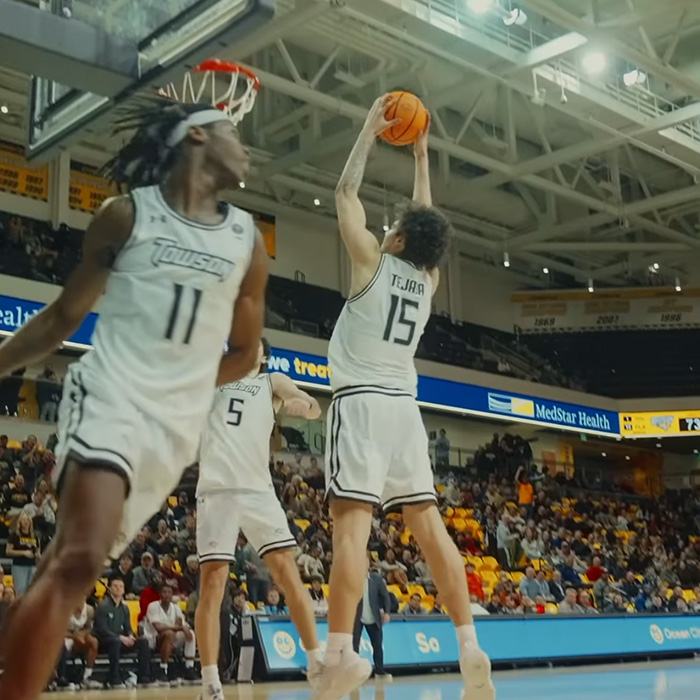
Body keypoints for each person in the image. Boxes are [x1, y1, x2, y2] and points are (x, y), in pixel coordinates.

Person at [0, 97, 267, 700]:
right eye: (232, 129)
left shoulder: (248, 242)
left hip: (171, 430)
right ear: (196, 135)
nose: (244, 143)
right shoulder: (126, 215)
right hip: (111, 392)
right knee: (80, 560)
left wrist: (189, 382)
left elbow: (247, 353)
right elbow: (63, 317)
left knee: (57, 572)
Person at [314, 95, 493, 700]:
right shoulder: (428, 279)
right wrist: (422, 157)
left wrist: (368, 128)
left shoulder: (370, 263)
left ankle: (339, 654)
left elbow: (344, 193)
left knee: (350, 533)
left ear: (393, 238)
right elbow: (427, 224)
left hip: (360, 403)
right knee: (432, 530)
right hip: (404, 412)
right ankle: (469, 644)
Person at [196, 337, 323, 700]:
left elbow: (312, 407)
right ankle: (210, 684)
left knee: (287, 573)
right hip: (217, 489)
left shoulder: (272, 381)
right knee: (213, 585)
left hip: (256, 490)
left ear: (263, 354)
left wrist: (306, 407)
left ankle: (316, 664)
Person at [94, 577, 150, 688]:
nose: (118, 589)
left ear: (124, 590)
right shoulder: (103, 606)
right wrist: (120, 637)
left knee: (143, 641)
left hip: (120, 640)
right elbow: (102, 629)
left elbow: (128, 627)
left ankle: (144, 676)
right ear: (109, 589)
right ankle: (115, 679)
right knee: (115, 642)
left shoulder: (125, 608)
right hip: (105, 641)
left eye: (121, 586)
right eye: (115, 586)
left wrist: (130, 635)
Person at [143, 583, 197, 685]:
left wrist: (184, 629)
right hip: (153, 640)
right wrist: (179, 627)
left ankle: (189, 667)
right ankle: (162, 669)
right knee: (169, 634)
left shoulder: (175, 608)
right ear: (159, 594)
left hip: (171, 639)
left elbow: (180, 623)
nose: (167, 595)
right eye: (164, 592)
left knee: (190, 634)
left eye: (169, 592)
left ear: (172, 595)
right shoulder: (153, 606)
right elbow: (159, 628)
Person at [353, 555, 391, 679]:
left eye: (366, 562)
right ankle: (354, 672)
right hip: (357, 617)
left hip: (373, 616)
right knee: (354, 645)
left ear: (369, 565)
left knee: (378, 645)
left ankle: (379, 670)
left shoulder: (377, 579)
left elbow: (385, 596)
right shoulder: (352, 578)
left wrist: (387, 612)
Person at [57, 598, 101, 690]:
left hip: (80, 636)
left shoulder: (89, 610)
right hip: (65, 636)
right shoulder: (64, 610)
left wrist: (82, 634)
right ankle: (61, 677)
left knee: (93, 642)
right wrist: (74, 636)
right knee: (61, 643)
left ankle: (87, 676)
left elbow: (89, 628)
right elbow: (58, 630)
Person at [6, 512, 40, 595]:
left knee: (32, 592)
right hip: (19, 566)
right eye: (24, 519)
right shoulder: (14, 535)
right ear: (20, 522)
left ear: (31, 522)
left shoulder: (35, 536)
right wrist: (23, 552)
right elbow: (8, 551)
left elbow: (38, 551)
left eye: (28, 519)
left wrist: (37, 556)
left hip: (32, 566)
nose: (26, 521)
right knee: (20, 591)